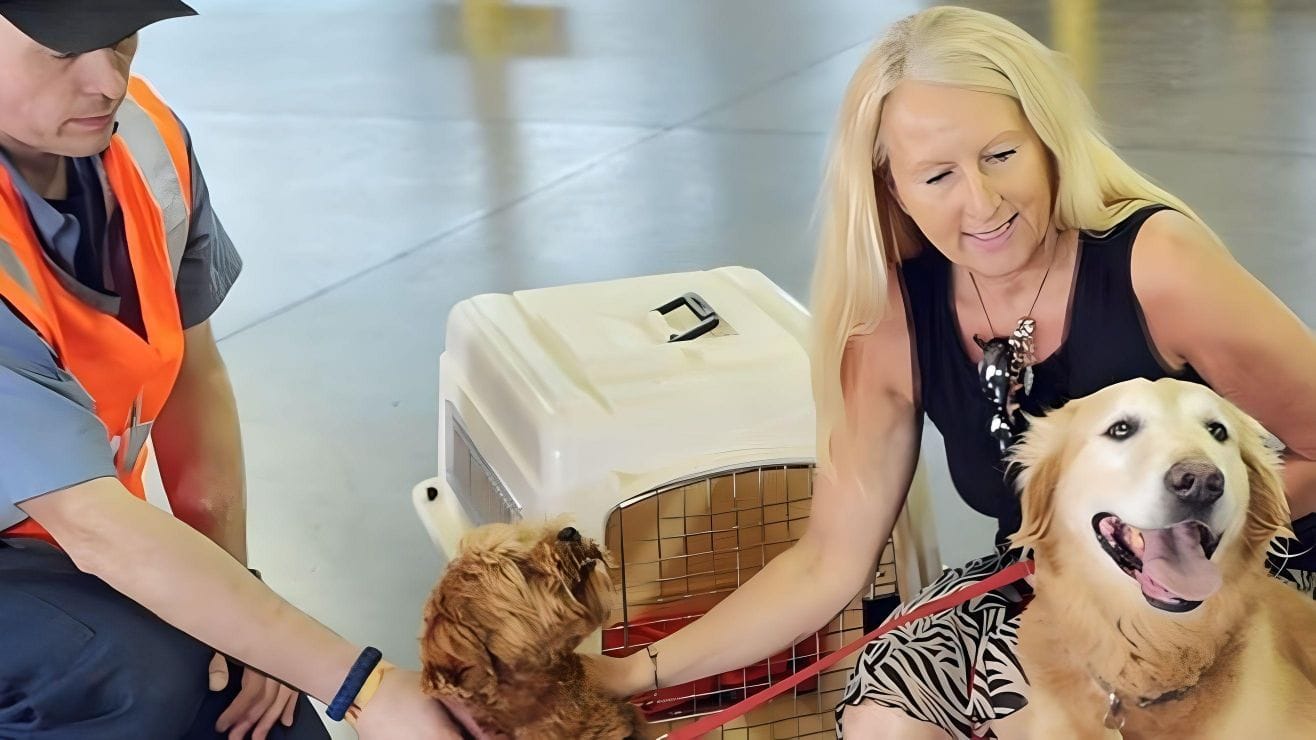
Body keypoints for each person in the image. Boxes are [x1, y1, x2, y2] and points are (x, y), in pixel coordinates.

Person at [587, 6, 1316, 739]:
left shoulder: (1159, 264)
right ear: (891, 186)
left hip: (1255, 563)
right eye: (938, 175)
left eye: (1001, 155)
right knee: (885, 706)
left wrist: (1177, 534)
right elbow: (828, 563)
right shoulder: (892, 321)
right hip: (1048, 581)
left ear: (1048, 142)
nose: (983, 202)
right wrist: (634, 672)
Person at [0, 2, 482, 738]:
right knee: (126, 670)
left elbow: (191, 372)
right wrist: (365, 687)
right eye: (62, 52)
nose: (108, 82)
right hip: (63, 537)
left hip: (59, 538)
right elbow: (93, 526)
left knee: (253, 703)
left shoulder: (144, 141)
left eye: (120, 39)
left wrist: (241, 603)